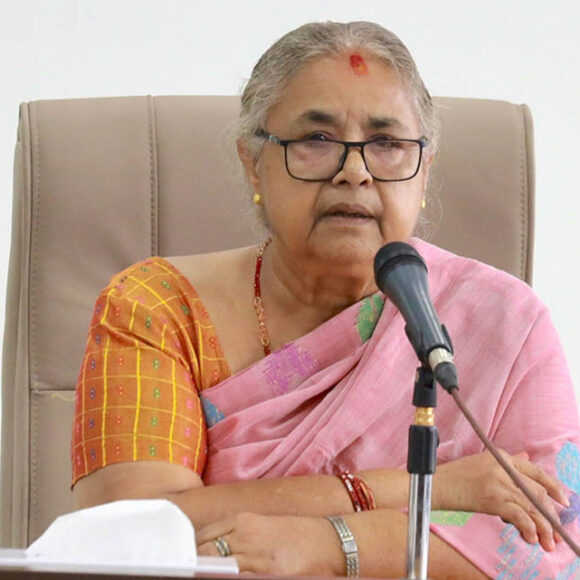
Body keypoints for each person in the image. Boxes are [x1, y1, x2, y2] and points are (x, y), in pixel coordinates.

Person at [70, 21, 580, 579]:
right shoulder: (161, 309)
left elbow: (549, 545)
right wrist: (427, 489)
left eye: (386, 145)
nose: (354, 173)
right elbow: (128, 537)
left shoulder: (505, 322)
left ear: (424, 171)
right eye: (316, 140)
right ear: (253, 162)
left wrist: (329, 544)